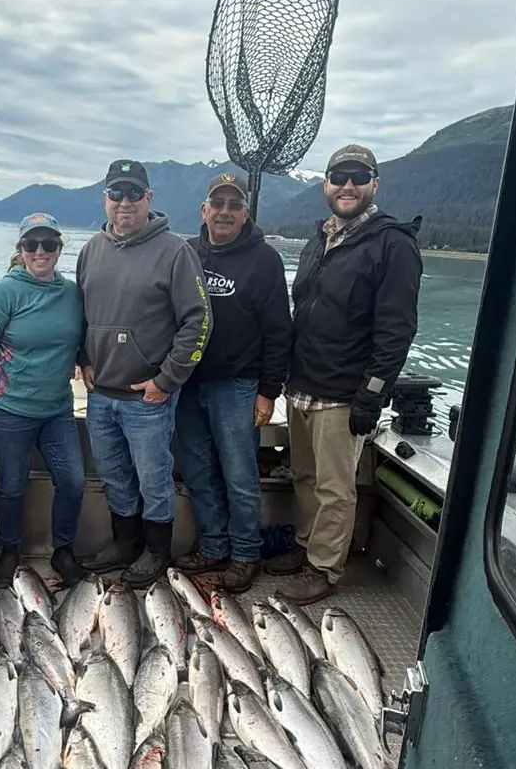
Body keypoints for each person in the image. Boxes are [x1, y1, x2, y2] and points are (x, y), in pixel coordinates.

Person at [270, 144, 423, 604]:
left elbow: (397, 331)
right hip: (300, 387)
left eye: (359, 177)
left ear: (375, 184)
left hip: (343, 394)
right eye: (339, 176)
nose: (348, 185)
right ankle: (304, 546)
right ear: (326, 184)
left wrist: (371, 395)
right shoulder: (320, 239)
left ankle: (324, 569)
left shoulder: (393, 244)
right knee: (304, 477)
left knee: (336, 489)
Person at [76, 159, 211, 588]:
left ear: (149, 199)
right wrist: (83, 358)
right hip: (101, 394)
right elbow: (78, 314)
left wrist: (166, 380)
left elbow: (199, 320)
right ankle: (125, 543)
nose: (125, 202)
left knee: (154, 479)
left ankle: (157, 550)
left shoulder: (176, 251)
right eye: (117, 193)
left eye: (134, 193)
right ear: (105, 199)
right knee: (114, 474)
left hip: (148, 397)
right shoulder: (90, 250)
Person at [172, 173, 292, 593]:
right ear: (203, 210)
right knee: (199, 471)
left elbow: (279, 329)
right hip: (186, 385)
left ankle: (245, 553)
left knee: (240, 474)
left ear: (246, 213)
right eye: (216, 203)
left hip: (238, 385)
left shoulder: (265, 260)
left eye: (233, 205)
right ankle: (212, 545)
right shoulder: (184, 252)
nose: (224, 212)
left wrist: (269, 390)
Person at [0, 213, 89, 588]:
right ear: (20, 250)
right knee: (12, 484)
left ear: (60, 250)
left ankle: (63, 549)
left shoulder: (71, 294)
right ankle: (10, 550)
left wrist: (85, 362)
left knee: (73, 482)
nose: (40, 251)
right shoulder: (2, 293)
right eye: (31, 244)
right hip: (8, 409)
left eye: (49, 244)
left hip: (57, 409)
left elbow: (79, 339)